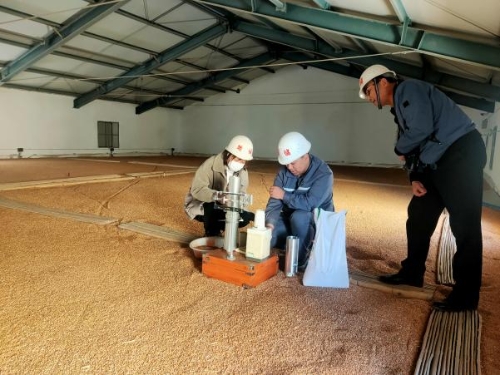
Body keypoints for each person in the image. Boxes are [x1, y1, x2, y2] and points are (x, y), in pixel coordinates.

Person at [358, 64, 487, 312]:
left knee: (465, 225)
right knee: (419, 215)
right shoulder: (400, 109)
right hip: (438, 162)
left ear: (383, 82)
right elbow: (417, 146)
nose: (369, 97)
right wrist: (414, 177)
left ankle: (466, 296)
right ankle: (412, 273)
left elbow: (421, 130)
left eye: (368, 90)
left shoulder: (409, 90)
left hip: (461, 153)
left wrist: (399, 149)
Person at [265, 131, 334, 270]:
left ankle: (300, 260)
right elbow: (274, 203)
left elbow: (310, 204)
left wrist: (284, 195)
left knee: (300, 216)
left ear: (305, 156)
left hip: (314, 223)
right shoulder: (284, 172)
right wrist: (269, 226)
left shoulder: (324, 174)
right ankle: (295, 243)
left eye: (293, 163)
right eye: (287, 164)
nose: (289, 167)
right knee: (266, 230)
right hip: (291, 221)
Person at [184, 135, 255, 237]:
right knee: (211, 207)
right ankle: (211, 232)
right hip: (205, 205)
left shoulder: (243, 172)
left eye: (243, 161)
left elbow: (241, 194)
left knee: (245, 218)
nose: (240, 163)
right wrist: (216, 196)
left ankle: (221, 227)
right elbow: (197, 189)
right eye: (238, 159)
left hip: (226, 207)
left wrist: (240, 205)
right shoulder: (210, 164)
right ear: (229, 154)